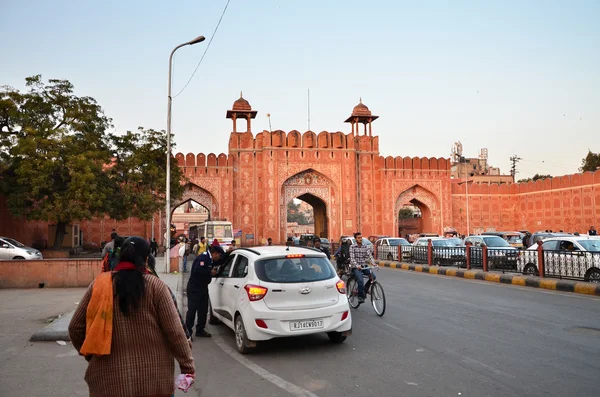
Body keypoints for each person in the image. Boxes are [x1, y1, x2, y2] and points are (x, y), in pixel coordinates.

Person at [69, 236, 195, 397]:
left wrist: (92, 354)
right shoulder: (156, 286)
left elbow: (75, 328)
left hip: (108, 383)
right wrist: (187, 366)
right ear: (146, 259)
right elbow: (175, 332)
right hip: (154, 382)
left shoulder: (99, 284)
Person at [185, 245, 224, 338]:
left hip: (203, 287)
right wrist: (210, 272)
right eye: (219, 255)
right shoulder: (203, 257)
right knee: (192, 310)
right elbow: (197, 270)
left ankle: (200, 330)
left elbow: (221, 261)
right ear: (215, 253)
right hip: (194, 288)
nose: (219, 258)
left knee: (203, 309)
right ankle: (187, 333)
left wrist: (229, 253)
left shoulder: (210, 259)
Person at [349, 232, 377, 303]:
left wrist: (373, 263)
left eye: (361, 237)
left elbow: (370, 256)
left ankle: (365, 289)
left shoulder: (365, 246)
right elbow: (352, 259)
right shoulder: (352, 247)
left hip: (363, 266)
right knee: (360, 280)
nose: (360, 239)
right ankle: (360, 296)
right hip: (355, 267)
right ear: (355, 239)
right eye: (358, 238)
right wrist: (357, 265)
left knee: (373, 277)